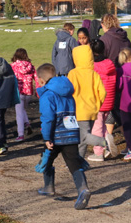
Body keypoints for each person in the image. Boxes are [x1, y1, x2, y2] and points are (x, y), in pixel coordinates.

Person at [35, 63, 92, 210]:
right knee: (73, 163)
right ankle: (83, 189)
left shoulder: (47, 95)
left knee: (46, 158)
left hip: (55, 135)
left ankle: (48, 187)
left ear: (41, 80)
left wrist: (47, 138)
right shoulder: (68, 93)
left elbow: (48, 118)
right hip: (71, 132)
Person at [68, 45, 107, 160]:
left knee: (83, 137)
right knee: (82, 139)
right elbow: (102, 92)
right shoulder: (94, 74)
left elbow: (68, 91)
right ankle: (79, 162)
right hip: (92, 111)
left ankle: (104, 142)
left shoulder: (73, 74)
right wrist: (97, 105)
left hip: (79, 111)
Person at [91, 40, 119, 158]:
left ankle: (99, 153)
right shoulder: (110, 64)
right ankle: (107, 138)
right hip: (109, 100)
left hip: (98, 101)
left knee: (96, 129)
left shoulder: (93, 67)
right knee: (102, 125)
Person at [11, 48, 36, 142]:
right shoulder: (31, 67)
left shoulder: (13, 66)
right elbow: (36, 79)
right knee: (22, 110)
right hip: (29, 93)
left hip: (18, 93)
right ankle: (27, 124)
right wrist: (38, 91)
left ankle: (20, 134)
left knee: (19, 114)